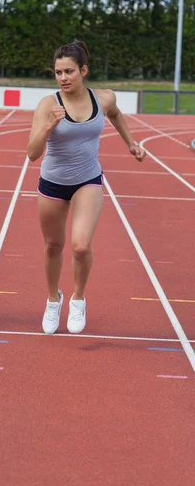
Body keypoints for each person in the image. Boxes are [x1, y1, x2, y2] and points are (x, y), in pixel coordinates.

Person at [27, 40, 146, 335]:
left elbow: (116, 113)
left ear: (83, 71)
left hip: (88, 179)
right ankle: (53, 299)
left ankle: (78, 298)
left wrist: (130, 142)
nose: (63, 78)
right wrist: (47, 127)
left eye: (68, 71)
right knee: (53, 246)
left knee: (80, 246)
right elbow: (31, 153)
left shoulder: (103, 98)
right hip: (53, 182)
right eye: (57, 72)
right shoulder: (48, 104)